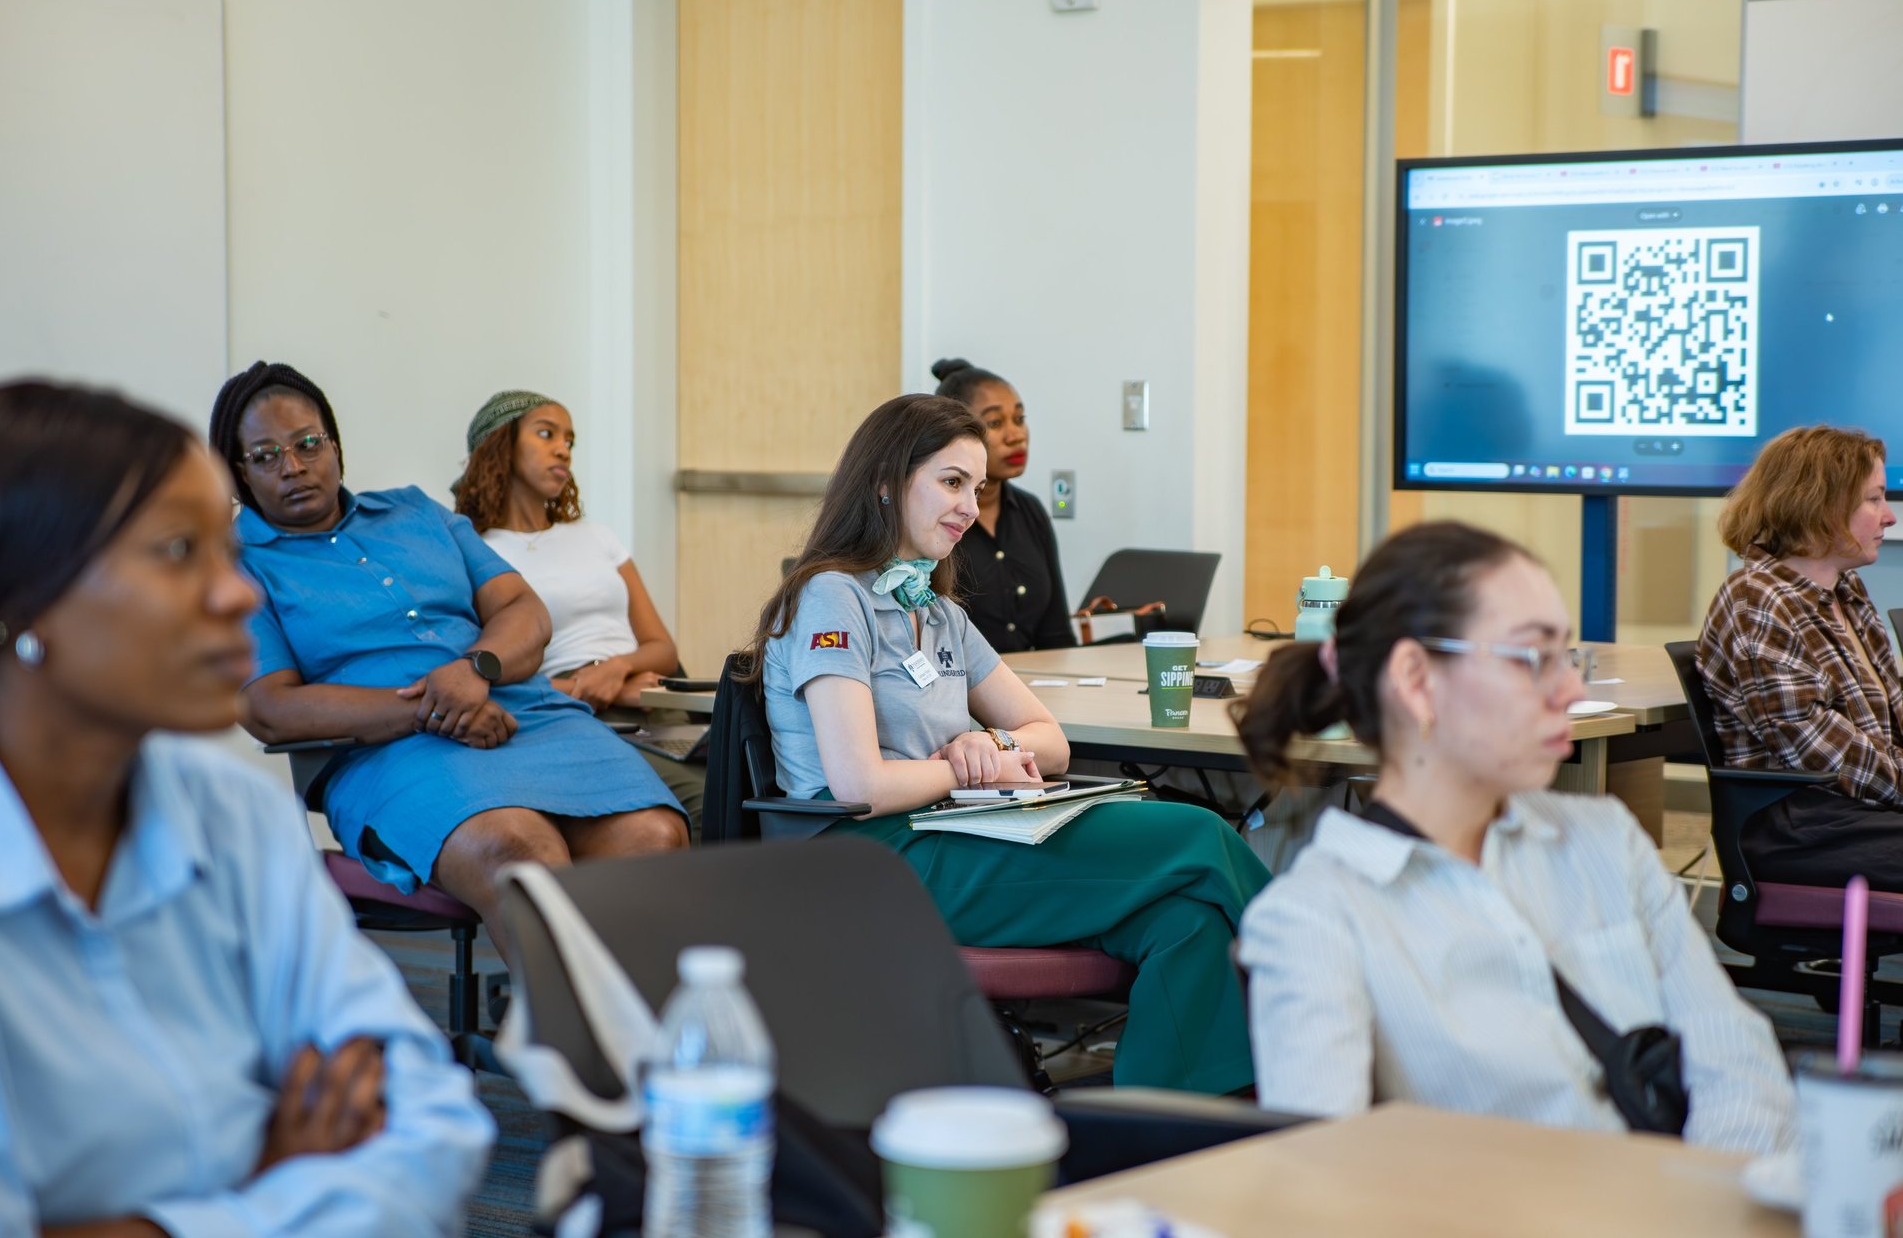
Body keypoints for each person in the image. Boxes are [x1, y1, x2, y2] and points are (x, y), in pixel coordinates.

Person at [0, 378, 494, 1235]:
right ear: (25, 604)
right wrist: (267, 1180)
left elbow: (435, 1123)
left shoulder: (234, 817)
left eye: (226, 552)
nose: (241, 596)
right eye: (180, 552)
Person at [746, 392, 1270, 1094]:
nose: (969, 504)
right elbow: (857, 786)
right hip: (871, 858)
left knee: (1186, 921)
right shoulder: (832, 596)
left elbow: (1047, 742)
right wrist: (964, 769)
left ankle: (1170, 1139)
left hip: (954, 831)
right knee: (1198, 836)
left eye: (978, 485)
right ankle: (1324, 987)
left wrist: (988, 744)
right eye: (951, 481)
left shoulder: (933, 606)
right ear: (883, 482)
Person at [1235, 521, 1794, 1154]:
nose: (1573, 689)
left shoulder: (1604, 839)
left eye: (1567, 656)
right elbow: (1323, 1183)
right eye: (1535, 657)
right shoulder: (1317, 918)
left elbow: (1738, 1065)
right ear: (1417, 681)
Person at [210, 362, 688, 955]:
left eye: (309, 443)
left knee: (654, 837)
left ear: (335, 444)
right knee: (521, 850)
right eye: (265, 456)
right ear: (238, 475)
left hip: (528, 715)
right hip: (391, 755)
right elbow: (268, 706)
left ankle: (622, 1033)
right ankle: (567, 1042)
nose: (293, 466)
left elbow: (523, 610)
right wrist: (434, 709)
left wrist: (473, 671)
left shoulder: (417, 513)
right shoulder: (236, 565)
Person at [451, 389, 705, 830]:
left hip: (650, 700)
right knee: (702, 803)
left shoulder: (597, 537)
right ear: (500, 445)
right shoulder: (475, 552)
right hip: (566, 713)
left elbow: (662, 647)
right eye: (546, 434)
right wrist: (592, 686)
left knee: (747, 789)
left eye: (569, 439)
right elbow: (487, 678)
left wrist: (616, 669)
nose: (563, 449)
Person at [1697, 423, 1903, 890]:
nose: (1888, 516)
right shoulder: (1758, 600)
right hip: (1801, 827)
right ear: (1820, 506)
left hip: (1858, 811)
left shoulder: (1847, 593)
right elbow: (1820, 756)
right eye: (1874, 499)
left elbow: (1892, 722)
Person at [931, 358, 1076, 653]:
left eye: (1020, 419)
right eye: (995, 423)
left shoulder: (1030, 511)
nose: (1016, 436)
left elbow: (1056, 636)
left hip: (1032, 689)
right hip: (958, 689)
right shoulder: (933, 517)